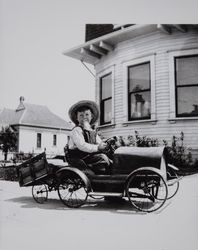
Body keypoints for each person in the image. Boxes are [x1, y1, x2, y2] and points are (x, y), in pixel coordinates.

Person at [67, 100, 111, 174]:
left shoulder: (92, 131)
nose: (84, 117)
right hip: (80, 157)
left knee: (111, 156)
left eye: (87, 115)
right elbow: (82, 146)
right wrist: (97, 148)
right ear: (77, 118)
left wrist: (104, 145)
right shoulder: (77, 130)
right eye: (81, 115)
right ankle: (103, 176)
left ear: (91, 116)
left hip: (89, 155)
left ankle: (111, 172)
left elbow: (99, 142)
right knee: (102, 157)